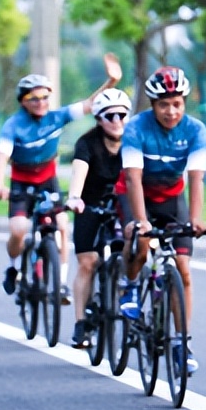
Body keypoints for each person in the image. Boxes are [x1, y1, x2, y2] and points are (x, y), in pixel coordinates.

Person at [0, 54, 122, 303]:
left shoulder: (57, 116)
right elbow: (1, 155)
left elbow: (90, 104)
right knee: (18, 229)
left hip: (47, 180)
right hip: (22, 181)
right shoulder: (14, 125)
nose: (40, 102)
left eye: (44, 97)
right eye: (33, 98)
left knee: (62, 225)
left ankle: (60, 284)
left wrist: (111, 81)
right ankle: (13, 266)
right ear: (23, 101)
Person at [119, 66, 206, 375]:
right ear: (152, 105)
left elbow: (196, 178)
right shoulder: (136, 129)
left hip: (172, 198)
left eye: (177, 104)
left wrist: (196, 219)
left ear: (185, 103)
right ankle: (129, 285)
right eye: (163, 105)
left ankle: (182, 344)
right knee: (141, 242)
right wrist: (141, 221)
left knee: (183, 271)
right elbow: (132, 178)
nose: (171, 111)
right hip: (138, 194)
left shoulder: (195, 130)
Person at [65, 88, 131, 349]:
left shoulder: (134, 142)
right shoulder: (87, 143)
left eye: (122, 115)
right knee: (88, 263)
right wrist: (74, 198)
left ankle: (127, 293)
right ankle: (81, 322)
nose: (117, 121)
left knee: (133, 248)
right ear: (98, 119)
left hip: (122, 205)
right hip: (89, 205)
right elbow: (79, 173)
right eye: (110, 116)